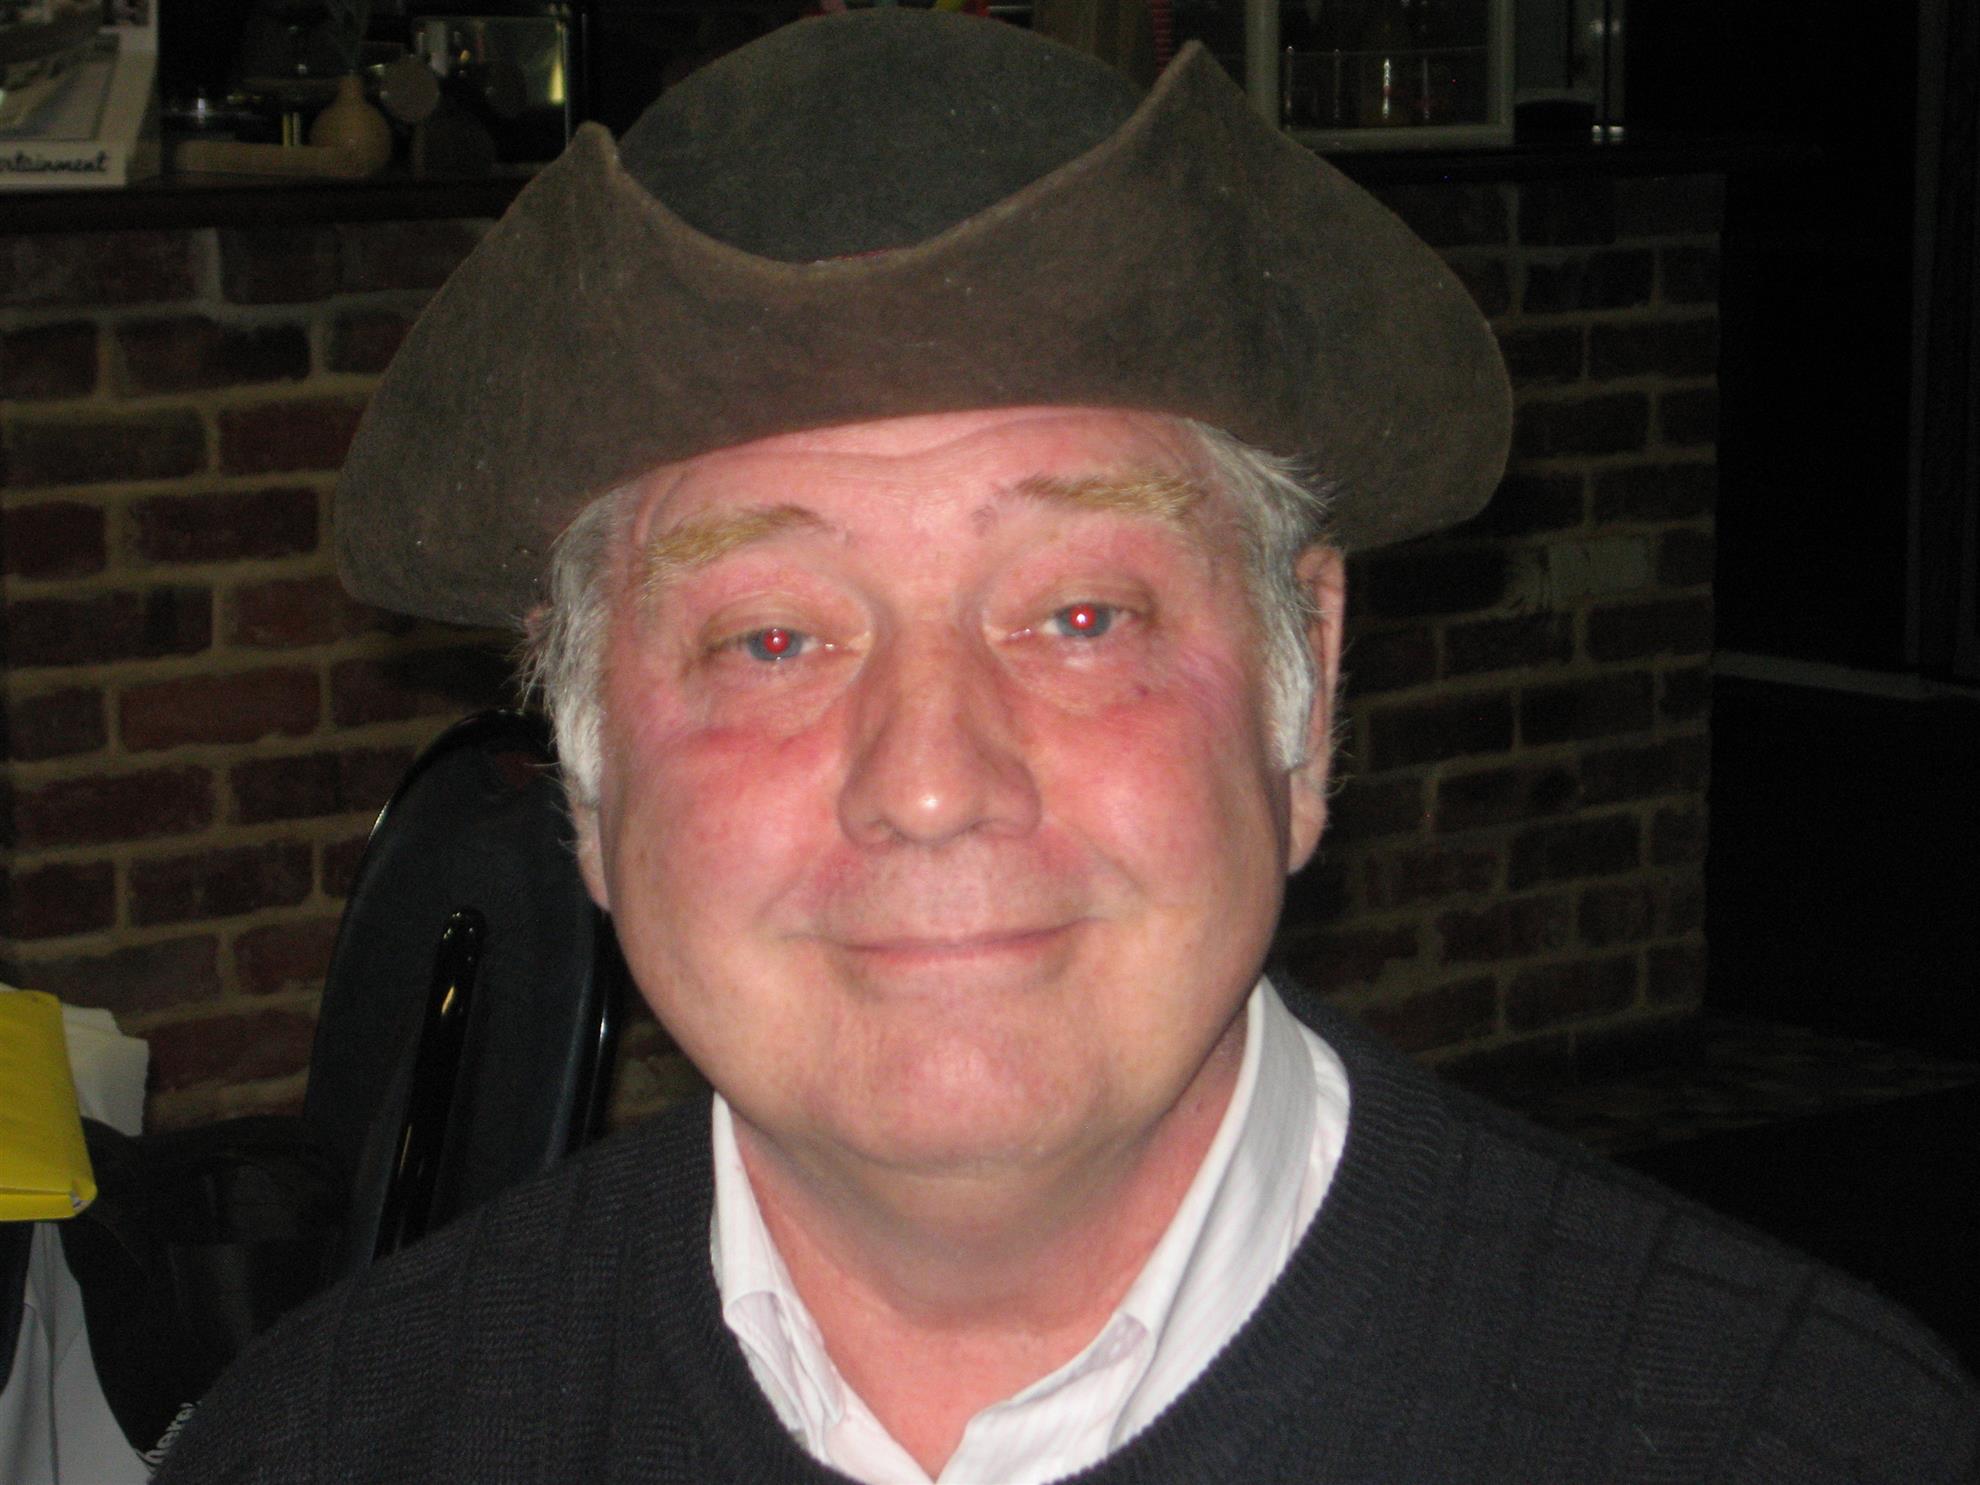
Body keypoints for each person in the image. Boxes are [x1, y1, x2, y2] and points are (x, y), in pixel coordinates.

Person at [156, 11, 1978, 1483]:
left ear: (1304, 694)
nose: (932, 778)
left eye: (1082, 615)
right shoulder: (326, 1448)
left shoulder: (1798, 1441)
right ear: (589, 776)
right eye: (774, 638)